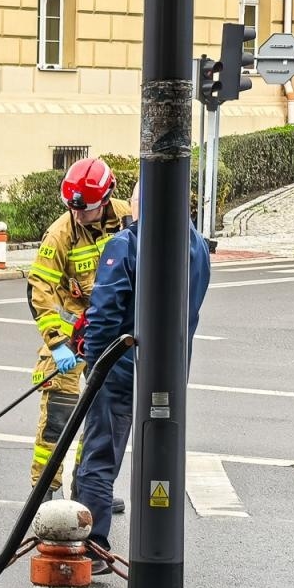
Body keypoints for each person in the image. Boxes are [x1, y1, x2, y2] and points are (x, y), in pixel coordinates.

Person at [73, 182, 211, 564]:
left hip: (119, 371)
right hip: (168, 374)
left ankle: (91, 546)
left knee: (98, 457)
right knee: (156, 458)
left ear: (140, 202)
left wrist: (94, 366)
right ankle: (154, 545)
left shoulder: (127, 244)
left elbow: (103, 315)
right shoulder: (198, 246)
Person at [27, 157, 131, 496]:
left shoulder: (127, 218)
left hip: (110, 335)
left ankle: (87, 489)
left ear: (105, 199)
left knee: (101, 419)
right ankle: (44, 490)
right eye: (72, 208)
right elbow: (38, 289)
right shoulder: (60, 234)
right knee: (58, 415)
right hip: (71, 339)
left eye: (85, 210)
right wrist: (57, 344)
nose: (77, 215)